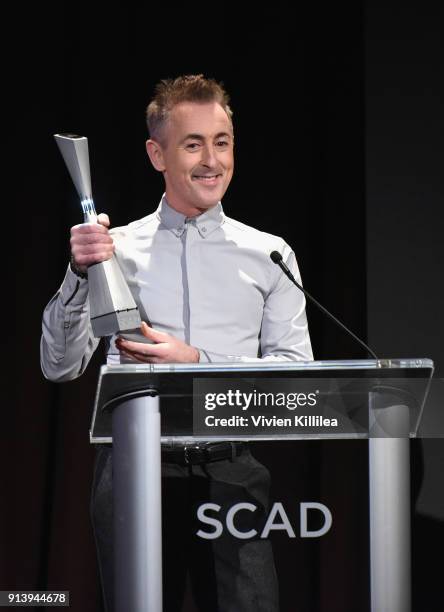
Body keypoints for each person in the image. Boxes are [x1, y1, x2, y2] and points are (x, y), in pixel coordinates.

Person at [41, 74, 313, 611]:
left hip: (233, 471)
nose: (212, 160)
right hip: (135, 469)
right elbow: (60, 366)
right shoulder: (113, 247)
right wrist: (78, 274)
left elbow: (293, 377)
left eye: (222, 141)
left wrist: (197, 361)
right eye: (193, 144)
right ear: (156, 154)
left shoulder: (270, 255)